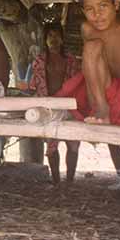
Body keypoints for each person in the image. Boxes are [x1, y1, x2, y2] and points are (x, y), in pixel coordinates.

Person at [27, 21, 81, 186]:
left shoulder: (71, 60)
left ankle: (70, 180)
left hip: (69, 105)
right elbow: (32, 85)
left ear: (63, 39)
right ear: (45, 39)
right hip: (48, 106)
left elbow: (79, 83)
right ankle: (56, 181)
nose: (54, 39)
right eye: (50, 36)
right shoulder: (39, 61)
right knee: (51, 146)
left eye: (57, 35)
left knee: (73, 144)